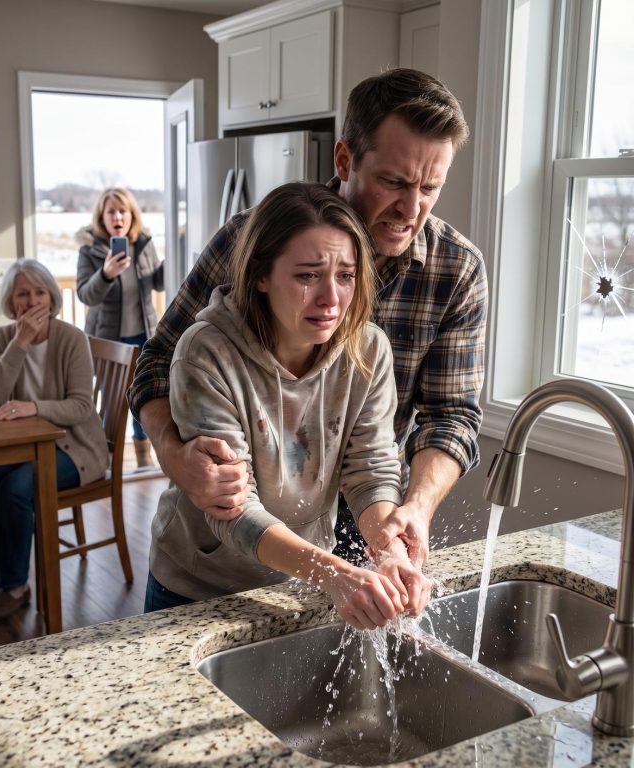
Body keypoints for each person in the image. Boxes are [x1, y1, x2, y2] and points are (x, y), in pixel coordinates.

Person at [129, 68, 488, 613]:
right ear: (345, 161)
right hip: (214, 559)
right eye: (394, 181)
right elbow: (158, 361)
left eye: (431, 188)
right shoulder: (249, 248)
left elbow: (448, 418)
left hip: (358, 517)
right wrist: (179, 459)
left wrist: (408, 514)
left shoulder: (450, 275)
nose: (413, 208)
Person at [145, 182, 429, 627]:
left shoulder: (368, 351)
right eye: (308, 275)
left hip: (299, 580)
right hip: (198, 589)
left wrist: (389, 552)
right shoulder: (206, 352)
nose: (331, 299)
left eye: (345, 275)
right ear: (260, 275)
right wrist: (336, 574)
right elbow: (231, 509)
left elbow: (370, 472)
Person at [0, 260, 109, 621]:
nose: (32, 301)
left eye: (39, 292)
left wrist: (32, 407)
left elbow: (80, 407)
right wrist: (20, 343)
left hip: (76, 448)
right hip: (24, 447)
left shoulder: (71, 338)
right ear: (11, 302)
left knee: (15, 489)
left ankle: (15, 586)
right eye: (23, 294)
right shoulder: (3, 338)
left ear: (51, 297)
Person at [76, 186, 164, 468]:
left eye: (122, 210)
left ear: (131, 215)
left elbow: (159, 282)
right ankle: (106, 463)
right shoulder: (90, 251)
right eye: (111, 211)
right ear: (101, 217)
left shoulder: (144, 245)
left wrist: (176, 254)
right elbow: (86, 294)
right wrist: (105, 274)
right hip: (108, 340)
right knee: (112, 405)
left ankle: (143, 461)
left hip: (142, 337)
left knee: (144, 400)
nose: (117, 216)